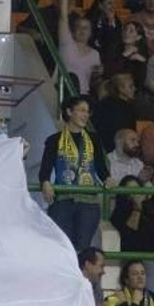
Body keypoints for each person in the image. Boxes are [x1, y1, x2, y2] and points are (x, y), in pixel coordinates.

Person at [39, 97, 108, 250]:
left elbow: (101, 167)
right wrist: (45, 182)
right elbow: (45, 169)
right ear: (69, 112)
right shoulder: (54, 140)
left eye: (88, 112)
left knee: (83, 249)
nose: (86, 115)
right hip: (63, 200)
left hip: (88, 202)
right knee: (62, 248)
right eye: (82, 110)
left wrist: (108, 179)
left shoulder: (94, 139)